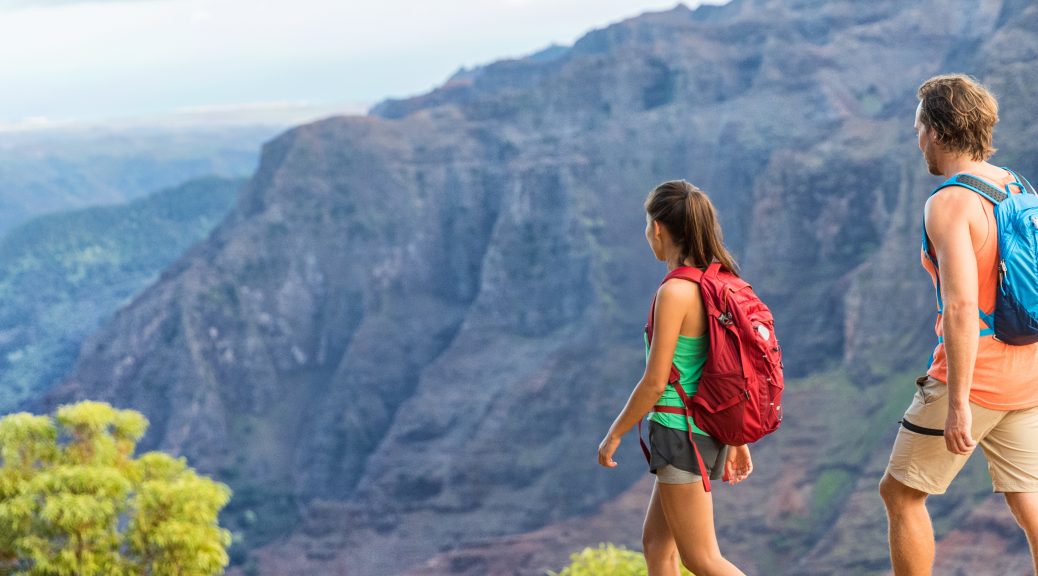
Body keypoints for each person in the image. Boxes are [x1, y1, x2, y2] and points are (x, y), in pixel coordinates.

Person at [879, 74, 1038, 575]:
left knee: (901, 493)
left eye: (919, 127)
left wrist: (958, 406)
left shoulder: (949, 203)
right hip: (1028, 372)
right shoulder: (1016, 184)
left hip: (977, 377)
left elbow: (962, 307)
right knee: (1028, 498)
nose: (917, 137)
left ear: (941, 132)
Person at [597, 180, 752, 576]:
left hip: (680, 433)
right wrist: (736, 438)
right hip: (705, 430)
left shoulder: (676, 292)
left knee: (701, 558)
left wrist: (615, 433)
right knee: (656, 546)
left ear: (659, 229)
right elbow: (727, 367)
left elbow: (655, 381)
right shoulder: (720, 283)